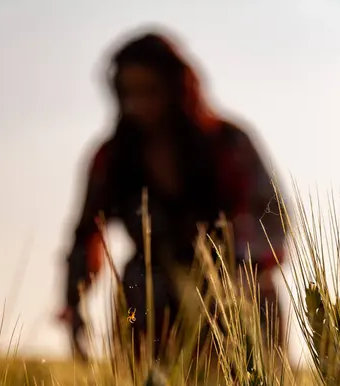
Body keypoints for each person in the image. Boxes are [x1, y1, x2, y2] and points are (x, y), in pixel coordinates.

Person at [58, 31, 286, 360]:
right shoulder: (111, 158)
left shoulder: (228, 144)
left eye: (149, 90)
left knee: (250, 383)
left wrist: (241, 270)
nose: (139, 104)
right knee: (143, 290)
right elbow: (86, 234)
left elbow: (271, 213)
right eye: (128, 92)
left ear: (176, 87)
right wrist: (73, 303)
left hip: (234, 291)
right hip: (148, 300)